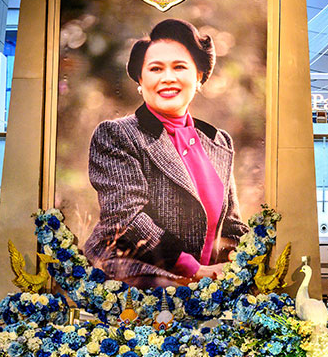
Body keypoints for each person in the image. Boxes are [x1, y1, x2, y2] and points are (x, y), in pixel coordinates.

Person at [84, 18, 248, 288]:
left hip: (201, 290)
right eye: (155, 68)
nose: (167, 78)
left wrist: (238, 257)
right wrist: (194, 270)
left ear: (198, 77)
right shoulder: (117, 135)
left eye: (179, 67)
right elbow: (128, 219)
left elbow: (231, 226)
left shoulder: (219, 141)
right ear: (140, 79)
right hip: (132, 282)